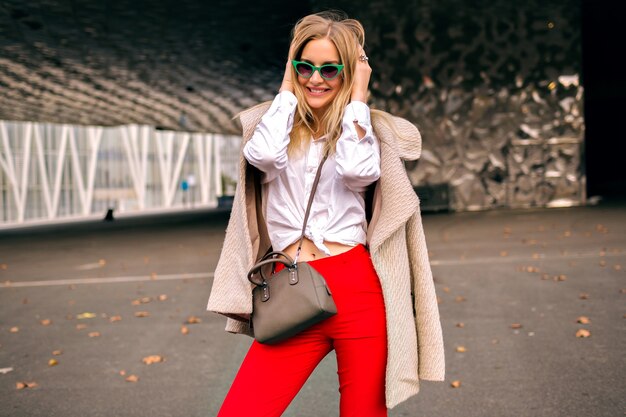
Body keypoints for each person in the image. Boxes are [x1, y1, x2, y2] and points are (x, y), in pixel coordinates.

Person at [207, 11, 444, 417]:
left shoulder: (365, 130)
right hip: (293, 286)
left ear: (348, 73)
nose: (315, 79)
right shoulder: (271, 127)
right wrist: (286, 88)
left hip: (359, 289)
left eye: (330, 69)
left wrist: (357, 100)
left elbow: (357, 171)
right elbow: (261, 157)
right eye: (305, 67)